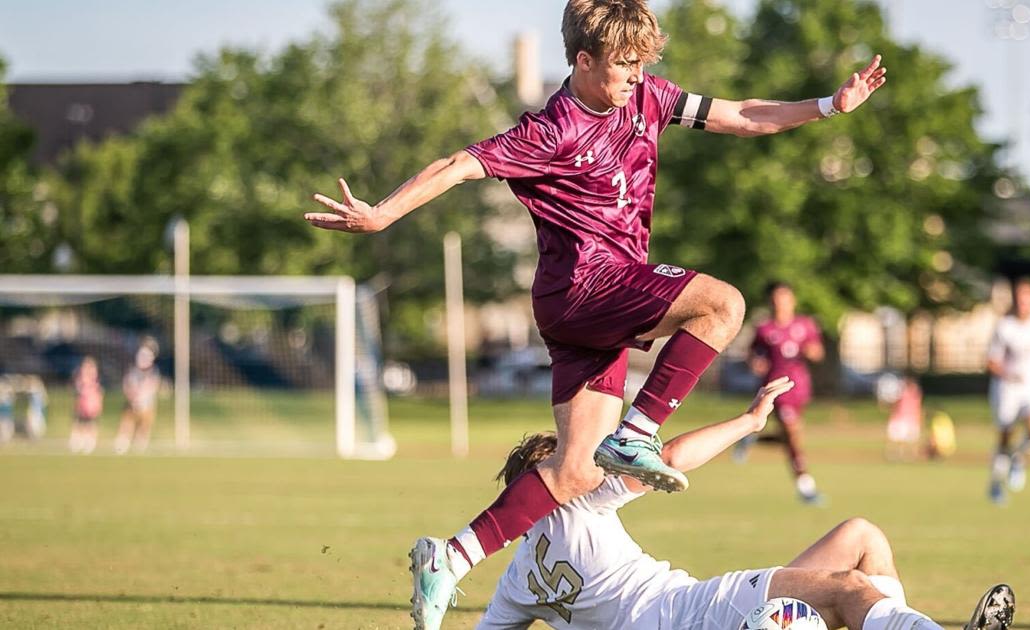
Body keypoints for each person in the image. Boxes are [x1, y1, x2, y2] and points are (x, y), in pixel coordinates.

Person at [306, 1, 886, 624]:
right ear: (583, 61)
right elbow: (457, 166)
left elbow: (744, 115)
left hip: (589, 313)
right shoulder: (549, 131)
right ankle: (636, 436)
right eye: (623, 63)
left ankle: (450, 555)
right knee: (724, 304)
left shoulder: (650, 99)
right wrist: (383, 213)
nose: (636, 74)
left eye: (641, 62)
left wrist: (827, 106)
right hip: (587, 289)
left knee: (578, 470)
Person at [473, 378, 1016, 630]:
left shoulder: (518, 582)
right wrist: (751, 421)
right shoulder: (579, 499)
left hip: (703, 614)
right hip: (699, 613)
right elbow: (674, 455)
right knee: (849, 589)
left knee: (859, 537)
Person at [734, 281, 827, 504]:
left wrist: (812, 352)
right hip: (777, 388)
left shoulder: (805, 325)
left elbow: (818, 352)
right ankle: (805, 486)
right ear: (771, 302)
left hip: (800, 387)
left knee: (792, 436)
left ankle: (751, 437)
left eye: (784, 298)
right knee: (792, 434)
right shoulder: (765, 329)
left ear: (792, 300)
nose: (780, 303)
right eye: (776, 299)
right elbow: (752, 354)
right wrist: (755, 363)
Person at [986, 278, 1030, 505]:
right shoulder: (1005, 326)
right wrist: (1007, 373)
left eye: (1028, 300)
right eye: (1021, 300)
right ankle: (996, 483)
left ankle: (1019, 458)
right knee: (1005, 439)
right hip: (1008, 388)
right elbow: (992, 361)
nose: (1024, 305)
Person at [114, 340, 162, 455]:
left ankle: (140, 444)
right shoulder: (132, 371)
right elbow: (127, 385)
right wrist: (132, 397)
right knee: (127, 423)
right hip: (132, 403)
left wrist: (143, 397)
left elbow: (154, 385)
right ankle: (122, 444)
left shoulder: (154, 372)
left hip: (147, 404)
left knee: (144, 425)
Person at [69, 356, 104, 455]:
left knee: (91, 424)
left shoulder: (95, 381)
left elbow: (99, 393)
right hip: (82, 404)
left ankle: (90, 442)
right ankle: (77, 440)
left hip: (91, 404)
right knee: (78, 422)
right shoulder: (79, 379)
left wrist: (98, 404)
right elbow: (76, 391)